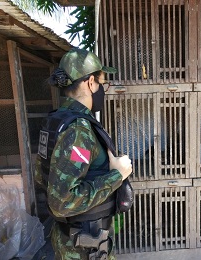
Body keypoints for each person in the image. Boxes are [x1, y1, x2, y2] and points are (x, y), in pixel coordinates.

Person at [34, 48, 133, 260]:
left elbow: (40, 176)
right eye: (102, 83)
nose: (103, 89)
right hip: (84, 247)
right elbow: (62, 202)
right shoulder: (77, 129)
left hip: (71, 237)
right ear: (90, 83)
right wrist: (117, 175)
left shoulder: (56, 121)